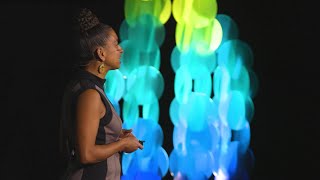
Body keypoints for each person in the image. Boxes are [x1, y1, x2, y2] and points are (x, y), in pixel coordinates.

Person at [59, 8, 143, 180]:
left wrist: (115, 135)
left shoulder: (89, 87)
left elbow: (91, 135)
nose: (121, 50)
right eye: (115, 44)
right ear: (101, 53)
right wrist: (122, 144)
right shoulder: (89, 93)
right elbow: (86, 154)